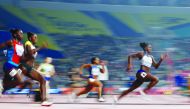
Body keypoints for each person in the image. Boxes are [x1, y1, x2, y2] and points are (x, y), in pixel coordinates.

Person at [20, 32, 51, 106]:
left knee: (41, 80)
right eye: (35, 37)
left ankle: (25, 83)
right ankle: (44, 100)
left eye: (36, 37)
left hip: (28, 67)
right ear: (30, 38)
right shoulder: (28, 43)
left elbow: (31, 57)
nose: (36, 39)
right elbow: (30, 53)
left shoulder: (32, 45)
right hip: (26, 67)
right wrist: (42, 47)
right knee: (42, 80)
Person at [0, 29, 32, 95]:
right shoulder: (11, 42)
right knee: (19, 80)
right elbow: (1, 46)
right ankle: (4, 87)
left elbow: (22, 58)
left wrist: (29, 57)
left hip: (16, 66)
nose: (22, 35)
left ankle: (4, 87)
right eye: (20, 33)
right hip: (9, 65)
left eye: (22, 34)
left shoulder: (21, 45)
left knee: (18, 81)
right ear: (15, 35)